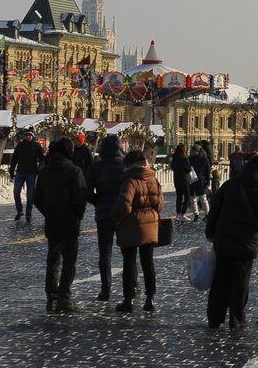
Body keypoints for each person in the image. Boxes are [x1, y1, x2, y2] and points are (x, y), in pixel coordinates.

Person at [205, 153, 258, 329]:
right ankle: (237, 318)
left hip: (223, 241)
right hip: (247, 244)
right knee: (240, 282)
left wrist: (210, 232)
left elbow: (214, 211)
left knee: (220, 280)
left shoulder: (229, 185)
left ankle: (215, 318)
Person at [33, 137, 86, 313]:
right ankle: (64, 297)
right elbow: (80, 198)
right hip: (70, 220)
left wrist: (48, 212)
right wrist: (78, 215)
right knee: (69, 260)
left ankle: (51, 292)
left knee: (53, 257)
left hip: (52, 220)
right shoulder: (74, 171)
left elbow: (37, 198)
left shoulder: (44, 171)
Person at [111, 150, 163, 313]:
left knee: (130, 263)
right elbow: (160, 204)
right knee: (148, 262)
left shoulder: (130, 180)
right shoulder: (153, 177)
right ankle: (150, 298)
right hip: (150, 224)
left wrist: (115, 218)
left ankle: (129, 299)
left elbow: (124, 205)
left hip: (132, 225)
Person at [85, 134, 126, 302]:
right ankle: (131, 287)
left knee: (105, 252)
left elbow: (87, 191)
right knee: (128, 252)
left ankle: (106, 289)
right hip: (124, 212)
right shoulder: (126, 165)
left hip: (103, 213)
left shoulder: (96, 166)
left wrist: (98, 202)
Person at [9, 130, 44, 223]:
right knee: (16, 192)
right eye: (27, 135)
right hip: (20, 172)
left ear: (33, 136)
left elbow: (42, 159)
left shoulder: (36, 146)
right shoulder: (20, 145)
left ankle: (28, 214)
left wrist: (39, 168)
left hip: (31, 173)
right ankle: (19, 211)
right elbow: (14, 159)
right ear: (24, 136)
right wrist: (11, 172)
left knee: (30, 195)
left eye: (30, 135)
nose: (28, 137)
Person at [189, 142, 212, 221]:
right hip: (192, 181)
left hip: (201, 181)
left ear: (198, 151)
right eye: (192, 151)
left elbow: (208, 171)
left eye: (194, 151)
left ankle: (207, 214)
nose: (192, 152)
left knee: (203, 199)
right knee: (193, 199)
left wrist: (208, 181)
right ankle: (196, 214)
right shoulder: (190, 159)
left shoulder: (204, 159)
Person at [171, 143, 192, 221]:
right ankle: (183, 213)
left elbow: (172, 168)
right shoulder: (184, 159)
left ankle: (178, 213)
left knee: (179, 196)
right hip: (184, 179)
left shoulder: (174, 159)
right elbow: (188, 169)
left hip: (176, 179)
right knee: (187, 196)